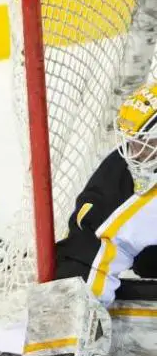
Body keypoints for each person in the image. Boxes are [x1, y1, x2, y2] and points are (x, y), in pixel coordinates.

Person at [55, 81, 157, 308]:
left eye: (146, 144)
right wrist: (77, 315)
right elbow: (88, 258)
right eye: (131, 143)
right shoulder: (122, 188)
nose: (135, 155)